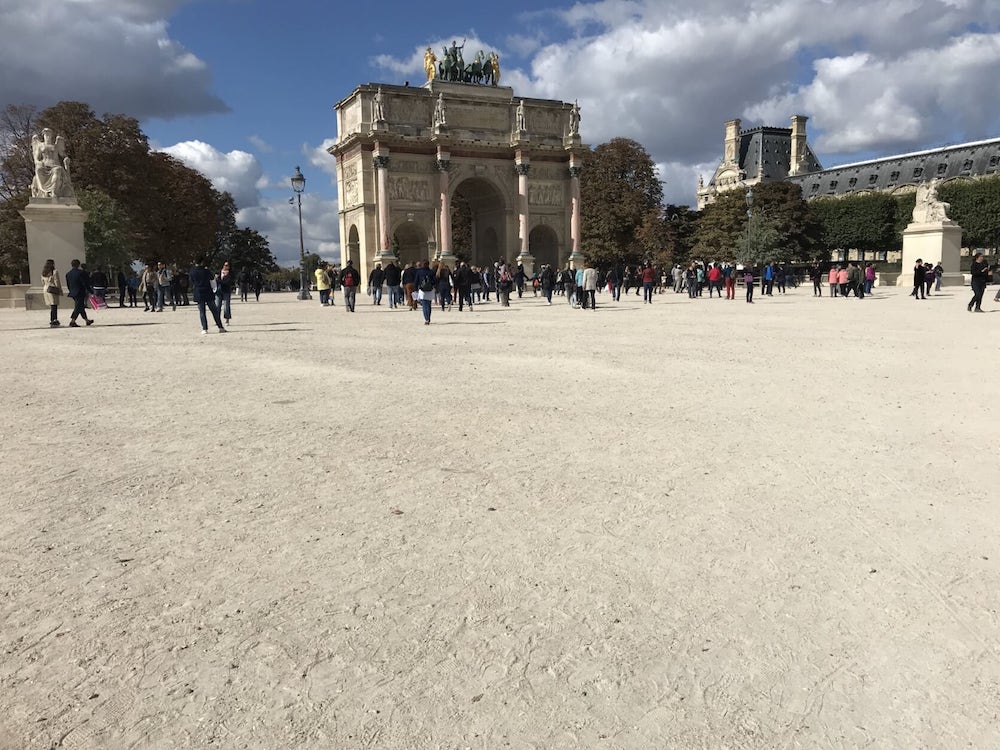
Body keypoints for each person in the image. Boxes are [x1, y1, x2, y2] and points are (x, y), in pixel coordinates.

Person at [189, 257, 227, 334]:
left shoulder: (192, 271)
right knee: (214, 311)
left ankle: (204, 328)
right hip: (207, 291)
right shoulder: (206, 271)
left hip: (198, 292)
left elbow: (191, 281)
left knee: (202, 312)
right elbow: (212, 279)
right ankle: (220, 327)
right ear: (202, 262)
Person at [65, 259, 94, 327]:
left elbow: (68, 284)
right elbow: (85, 283)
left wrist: (71, 290)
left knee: (80, 306)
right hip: (80, 292)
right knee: (78, 307)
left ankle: (87, 320)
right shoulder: (81, 273)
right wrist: (90, 291)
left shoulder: (68, 274)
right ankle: (72, 321)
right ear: (78, 265)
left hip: (73, 292)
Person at [413, 260, 436, 324]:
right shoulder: (431, 272)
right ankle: (428, 317)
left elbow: (416, 281)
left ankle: (426, 319)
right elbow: (434, 281)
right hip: (430, 290)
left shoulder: (419, 272)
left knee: (424, 305)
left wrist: (415, 289)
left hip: (422, 290)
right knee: (429, 305)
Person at [41, 258, 62, 327]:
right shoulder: (54, 271)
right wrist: (59, 290)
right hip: (52, 288)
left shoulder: (43, 272)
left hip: (45, 288)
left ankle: (52, 319)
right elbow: (57, 281)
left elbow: (42, 282)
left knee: (51, 305)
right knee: (54, 305)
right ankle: (54, 319)